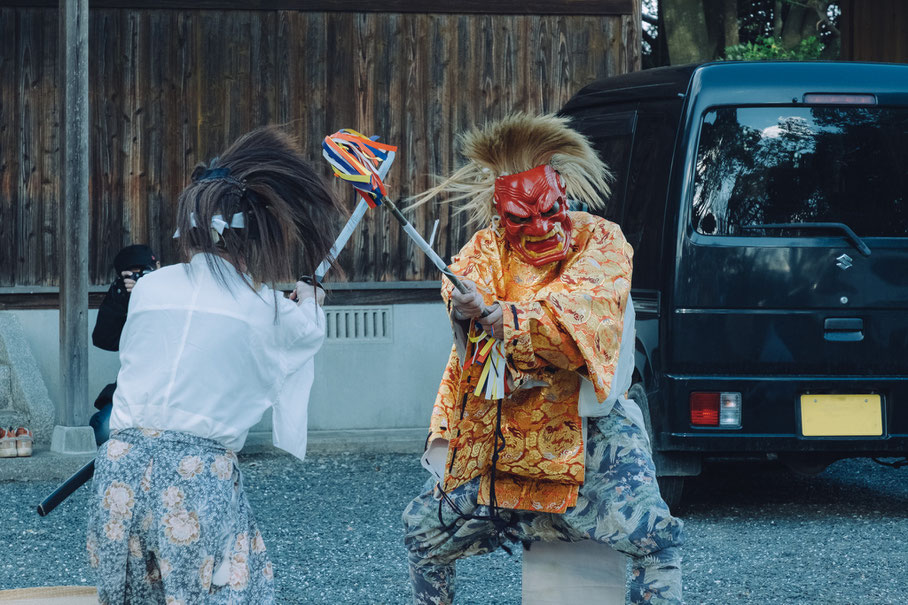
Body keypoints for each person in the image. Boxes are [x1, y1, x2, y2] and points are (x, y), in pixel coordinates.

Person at [402, 114, 684, 604]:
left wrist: (500, 314)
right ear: (498, 212)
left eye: (550, 209)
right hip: (503, 431)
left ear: (565, 193)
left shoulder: (601, 240)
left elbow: (581, 309)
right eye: (520, 217)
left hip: (588, 427)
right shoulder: (487, 247)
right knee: (424, 534)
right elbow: (463, 279)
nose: (538, 226)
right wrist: (466, 304)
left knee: (653, 537)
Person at [86, 125, 343, 604]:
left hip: (117, 472)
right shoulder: (267, 310)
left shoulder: (150, 289)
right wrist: (309, 299)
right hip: (195, 480)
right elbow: (302, 331)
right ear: (254, 239)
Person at [90, 244, 161, 445]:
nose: (135, 280)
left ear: (157, 266)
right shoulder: (121, 294)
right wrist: (122, 299)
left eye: (141, 273)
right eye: (129, 275)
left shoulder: (173, 292)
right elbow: (104, 340)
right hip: (135, 388)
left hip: (171, 389)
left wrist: (149, 294)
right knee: (101, 428)